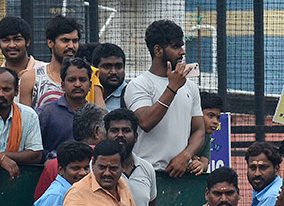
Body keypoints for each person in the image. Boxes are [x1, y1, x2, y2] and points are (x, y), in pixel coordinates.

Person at [123, 19, 205, 176]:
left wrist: (185, 156)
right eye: (175, 47)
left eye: (181, 46)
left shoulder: (190, 86)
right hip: (146, 173)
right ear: (158, 50)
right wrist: (172, 88)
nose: (182, 52)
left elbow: (199, 130)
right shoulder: (139, 84)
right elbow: (146, 122)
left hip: (182, 174)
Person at [105, 107, 157, 206]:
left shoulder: (147, 169)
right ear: (105, 135)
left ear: (135, 136)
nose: (120, 135)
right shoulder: (96, 170)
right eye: (114, 130)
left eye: (125, 130)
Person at [33, 102, 104, 200]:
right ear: (96, 131)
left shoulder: (53, 164)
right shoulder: (107, 161)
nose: (83, 173)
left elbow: (39, 201)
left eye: (86, 168)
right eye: (108, 129)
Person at [21, 15, 81, 110]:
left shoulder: (86, 78)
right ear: (50, 43)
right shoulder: (31, 78)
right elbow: (25, 120)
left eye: (75, 41)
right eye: (65, 40)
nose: (71, 46)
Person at [36, 56, 92, 157]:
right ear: (62, 85)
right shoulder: (46, 113)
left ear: (90, 85)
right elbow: (34, 149)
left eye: (82, 80)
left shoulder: (95, 114)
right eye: (72, 80)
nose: (78, 84)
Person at [0, 16, 43, 86]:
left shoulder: (45, 73)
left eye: (17, 39)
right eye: (6, 40)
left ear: (28, 41)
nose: (12, 45)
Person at [243, 141, 282, 206]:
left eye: (263, 167)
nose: (257, 173)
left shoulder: (271, 196)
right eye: (253, 168)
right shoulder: (264, 191)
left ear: (276, 169)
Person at [190, 90, 225, 174]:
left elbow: (205, 161)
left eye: (218, 117)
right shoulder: (183, 130)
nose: (216, 122)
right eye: (210, 115)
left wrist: (200, 165)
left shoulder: (207, 136)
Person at [92, 43, 127, 112]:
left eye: (118, 67)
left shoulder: (131, 94)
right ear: (95, 69)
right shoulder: (86, 93)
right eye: (106, 67)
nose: (113, 72)